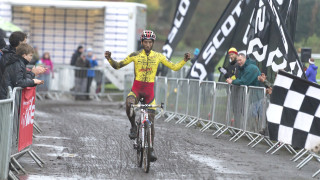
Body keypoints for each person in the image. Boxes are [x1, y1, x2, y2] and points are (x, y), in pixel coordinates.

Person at [104, 30, 190, 162]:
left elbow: (174, 67)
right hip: (137, 90)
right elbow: (118, 65)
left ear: (153, 43)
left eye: (150, 42)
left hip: (149, 92)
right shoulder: (135, 55)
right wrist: (109, 59)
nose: (148, 44)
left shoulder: (158, 56)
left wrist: (184, 60)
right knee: (129, 102)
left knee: (151, 122)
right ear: (142, 42)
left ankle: (150, 149)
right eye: (146, 42)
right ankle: (133, 125)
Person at [0, 31, 46, 99]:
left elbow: (19, 76)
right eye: (25, 42)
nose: (26, 44)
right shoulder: (13, 58)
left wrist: (33, 73)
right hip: (7, 95)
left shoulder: (15, 57)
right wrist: (33, 81)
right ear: (19, 43)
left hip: (10, 95)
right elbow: (18, 81)